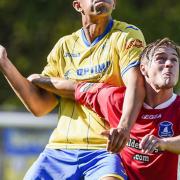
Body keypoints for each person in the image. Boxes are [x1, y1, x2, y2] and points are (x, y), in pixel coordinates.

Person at [0, 0, 146, 179]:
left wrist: (124, 126)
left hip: (105, 149)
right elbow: (39, 106)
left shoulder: (127, 35)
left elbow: (136, 84)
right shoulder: (64, 45)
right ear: (78, 6)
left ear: (114, 4)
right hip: (58, 151)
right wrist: (4, 63)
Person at [73, 38, 180, 180]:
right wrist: (39, 80)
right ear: (143, 68)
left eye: (174, 60)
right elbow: (74, 87)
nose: (169, 64)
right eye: (160, 59)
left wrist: (164, 143)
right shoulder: (117, 100)